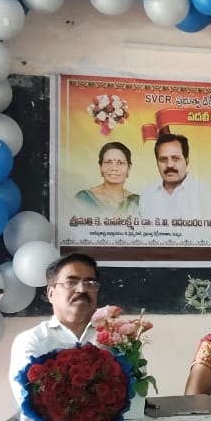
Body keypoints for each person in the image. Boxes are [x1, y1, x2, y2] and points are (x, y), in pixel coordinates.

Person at [8, 253, 102, 405]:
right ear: (51, 294)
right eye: (71, 282)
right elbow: (29, 398)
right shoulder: (32, 340)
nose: (82, 289)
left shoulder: (113, 337)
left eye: (90, 283)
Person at [138, 132, 211, 220]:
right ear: (157, 162)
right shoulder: (146, 195)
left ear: (187, 160)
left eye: (175, 158)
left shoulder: (206, 195)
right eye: (163, 159)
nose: (169, 165)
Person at [74, 142, 140, 216]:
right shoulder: (85, 198)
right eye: (108, 162)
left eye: (120, 163)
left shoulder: (137, 202)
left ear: (129, 168)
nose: (114, 168)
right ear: (100, 167)